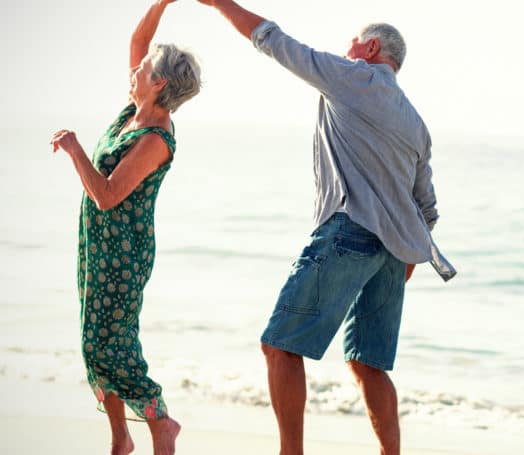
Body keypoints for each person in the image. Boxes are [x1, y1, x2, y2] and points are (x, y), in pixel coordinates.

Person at [197, 1, 440, 453]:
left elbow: (274, 40)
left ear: (370, 48)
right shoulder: (415, 121)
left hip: (350, 233)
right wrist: (408, 258)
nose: (345, 50)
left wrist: (218, 4)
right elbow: (426, 205)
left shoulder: (352, 77)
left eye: (351, 43)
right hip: (394, 251)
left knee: (279, 347)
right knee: (369, 363)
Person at [50, 1, 201, 454]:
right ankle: (120, 438)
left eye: (145, 69)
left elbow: (108, 195)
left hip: (123, 255)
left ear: (160, 84)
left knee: (111, 350)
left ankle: (160, 422)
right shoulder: (134, 110)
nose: (135, 69)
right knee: (93, 345)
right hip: (97, 246)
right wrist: (162, 3)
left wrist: (76, 150)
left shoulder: (155, 137)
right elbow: (138, 43)